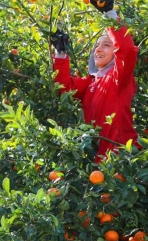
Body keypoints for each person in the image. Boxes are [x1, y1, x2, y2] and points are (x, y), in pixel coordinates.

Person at [51, 0, 141, 162]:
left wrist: (109, 14)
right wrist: (60, 53)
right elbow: (64, 89)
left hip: (121, 156)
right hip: (99, 161)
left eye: (106, 45)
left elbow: (126, 50)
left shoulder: (118, 78)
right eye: (97, 46)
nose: (98, 49)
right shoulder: (91, 82)